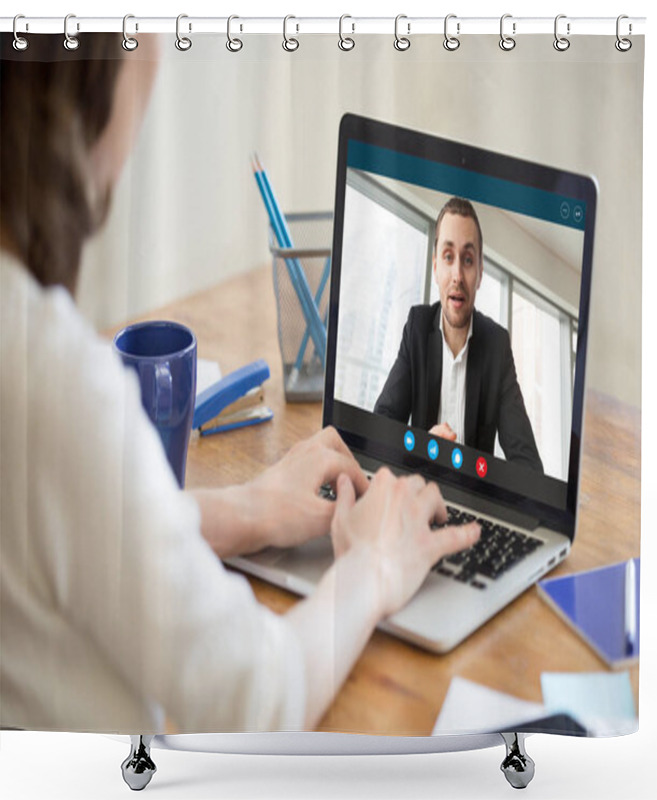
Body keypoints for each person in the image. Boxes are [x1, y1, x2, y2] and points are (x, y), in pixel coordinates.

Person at [0, 34, 479, 734]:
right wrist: (373, 565)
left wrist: (240, 509)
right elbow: (257, 698)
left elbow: (56, 530)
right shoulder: (47, 378)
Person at [374, 197, 544, 473]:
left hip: (474, 502)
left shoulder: (497, 346)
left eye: (467, 260)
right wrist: (422, 448)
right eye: (448, 257)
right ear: (435, 267)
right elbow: (380, 426)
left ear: (479, 273)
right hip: (417, 488)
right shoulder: (417, 328)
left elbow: (529, 466)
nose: (457, 276)